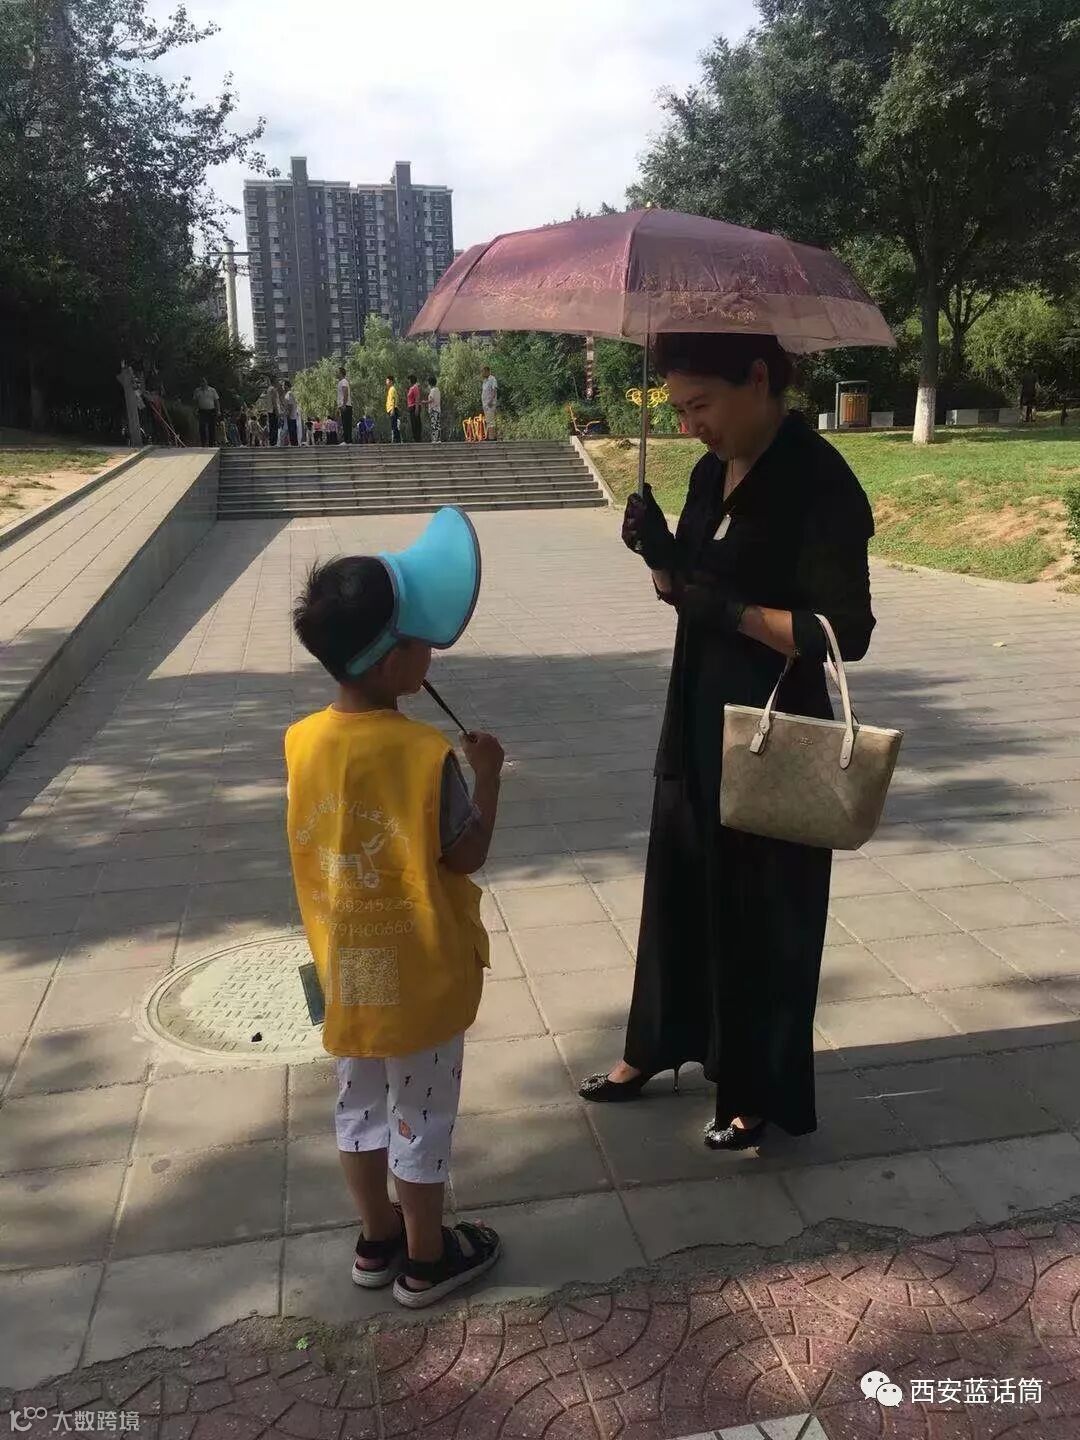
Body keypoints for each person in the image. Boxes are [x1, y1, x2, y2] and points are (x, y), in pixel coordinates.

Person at [578, 332, 876, 1151]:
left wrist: (733, 613)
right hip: (696, 707)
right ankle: (655, 1044)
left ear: (759, 379)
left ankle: (753, 1090)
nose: (689, 426)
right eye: (677, 410)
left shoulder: (819, 481)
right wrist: (659, 554)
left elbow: (845, 633)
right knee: (679, 885)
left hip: (772, 729)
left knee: (762, 912)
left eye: (700, 405)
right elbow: (686, 591)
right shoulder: (711, 473)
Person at [287, 556, 504, 1306]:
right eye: (418, 639)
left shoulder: (300, 740)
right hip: (421, 969)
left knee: (358, 1104)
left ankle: (376, 1238)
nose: (430, 650)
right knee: (422, 1112)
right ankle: (426, 1258)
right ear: (389, 661)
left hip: (346, 966)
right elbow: (466, 853)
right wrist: (488, 777)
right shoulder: (424, 754)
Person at [193, 377, 220, 447]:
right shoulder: (197, 391)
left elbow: (216, 401)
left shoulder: (212, 390)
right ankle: (203, 443)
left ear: (206, 382)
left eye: (204, 382)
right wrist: (195, 410)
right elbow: (195, 401)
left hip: (211, 410)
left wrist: (218, 410)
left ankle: (212, 443)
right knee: (202, 427)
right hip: (202, 411)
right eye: (201, 382)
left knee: (212, 427)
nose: (203, 384)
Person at [480, 366, 498, 440]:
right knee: (488, 420)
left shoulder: (492, 379)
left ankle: (491, 438)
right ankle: (490, 436)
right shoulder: (485, 381)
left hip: (490, 404)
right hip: (485, 404)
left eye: (483, 371)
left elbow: (494, 390)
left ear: (487, 371)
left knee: (490, 420)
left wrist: (491, 400)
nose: (482, 373)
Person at [424, 376, 442, 443]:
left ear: (430, 383)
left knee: (434, 424)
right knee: (437, 424)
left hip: (433, 409)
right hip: (438, 409)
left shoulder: (432, 390)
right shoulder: (438, 390)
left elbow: (431, 400)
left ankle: (434, 439)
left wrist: (424, 402)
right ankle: (438, 439)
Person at [338, 367, 353, 444]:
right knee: (345, 423)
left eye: (337, 372)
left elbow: (345, 393)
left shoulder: (343, 382)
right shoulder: (341, 382)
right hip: (344, 405)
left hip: (346, 405)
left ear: (341, 373)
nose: (336, 373)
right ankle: (347, 440)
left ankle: (347, 441)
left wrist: (344, 404)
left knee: (346, 423)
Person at [386, 375, 402, 443]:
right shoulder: (390, 389)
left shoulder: (392, 389)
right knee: (394, 425)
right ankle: (397, 440)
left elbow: (393, 400)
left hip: (393, 409)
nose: (386, 382)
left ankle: (396, 440)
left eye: (387, 381)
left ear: (391, 381)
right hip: (391, 409)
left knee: (394, 426)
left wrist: (392, 410)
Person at [283, 383, 300, 447]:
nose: (283, 387)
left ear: (286, 386)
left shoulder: (289, 394)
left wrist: (288, 413)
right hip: (292, 415)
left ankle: (293, 443)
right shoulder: (290, 393)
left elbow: (290, 405)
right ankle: (294, 443)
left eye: (284, 386)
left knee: (292, 429)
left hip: (291, 415)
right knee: (292, 429)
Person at [407, 375, 422, 442]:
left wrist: (417, 408)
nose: (408, 382)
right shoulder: (411, 388)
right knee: (413, 423)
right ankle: (415, 437)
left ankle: (417, 438)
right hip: (411, 407)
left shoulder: (415, 387)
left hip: (414, 407)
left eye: (409, 380)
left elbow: (417, 397)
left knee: (416, 423)